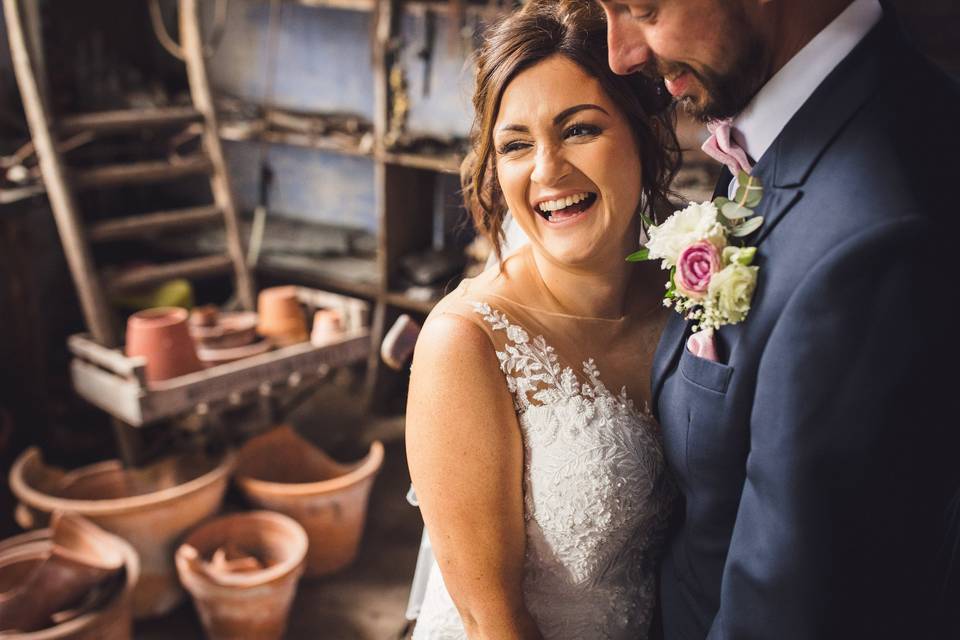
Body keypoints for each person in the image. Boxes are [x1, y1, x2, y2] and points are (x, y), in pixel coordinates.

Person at [596, 0, 960, 637]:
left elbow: (787, 614)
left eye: (641, 8)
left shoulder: (870, 240)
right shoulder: (805, 125)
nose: (621, 53)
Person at [404, 1, 682, 638]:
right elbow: (492, 621)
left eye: (580, 129)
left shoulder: (694, 284)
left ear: (641, 132)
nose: (547, 171)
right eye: (516, 146)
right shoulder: (466, 343)